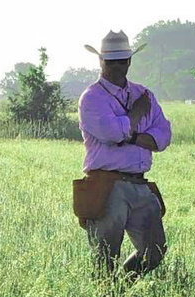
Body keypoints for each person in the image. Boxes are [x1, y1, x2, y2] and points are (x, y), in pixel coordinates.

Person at [76, 30, 172, 279]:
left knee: (156, 250)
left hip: (140, 183)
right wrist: (138, 115)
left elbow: (163, 137)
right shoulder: (92, 97)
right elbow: (111, 134)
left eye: (122, 60)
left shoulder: (145, 93)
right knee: (105, 256)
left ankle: (121, 289)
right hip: (107, 184)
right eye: (111, 61)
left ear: (129, 61)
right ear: (101, 62)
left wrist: (130, 135)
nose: (117, 66)